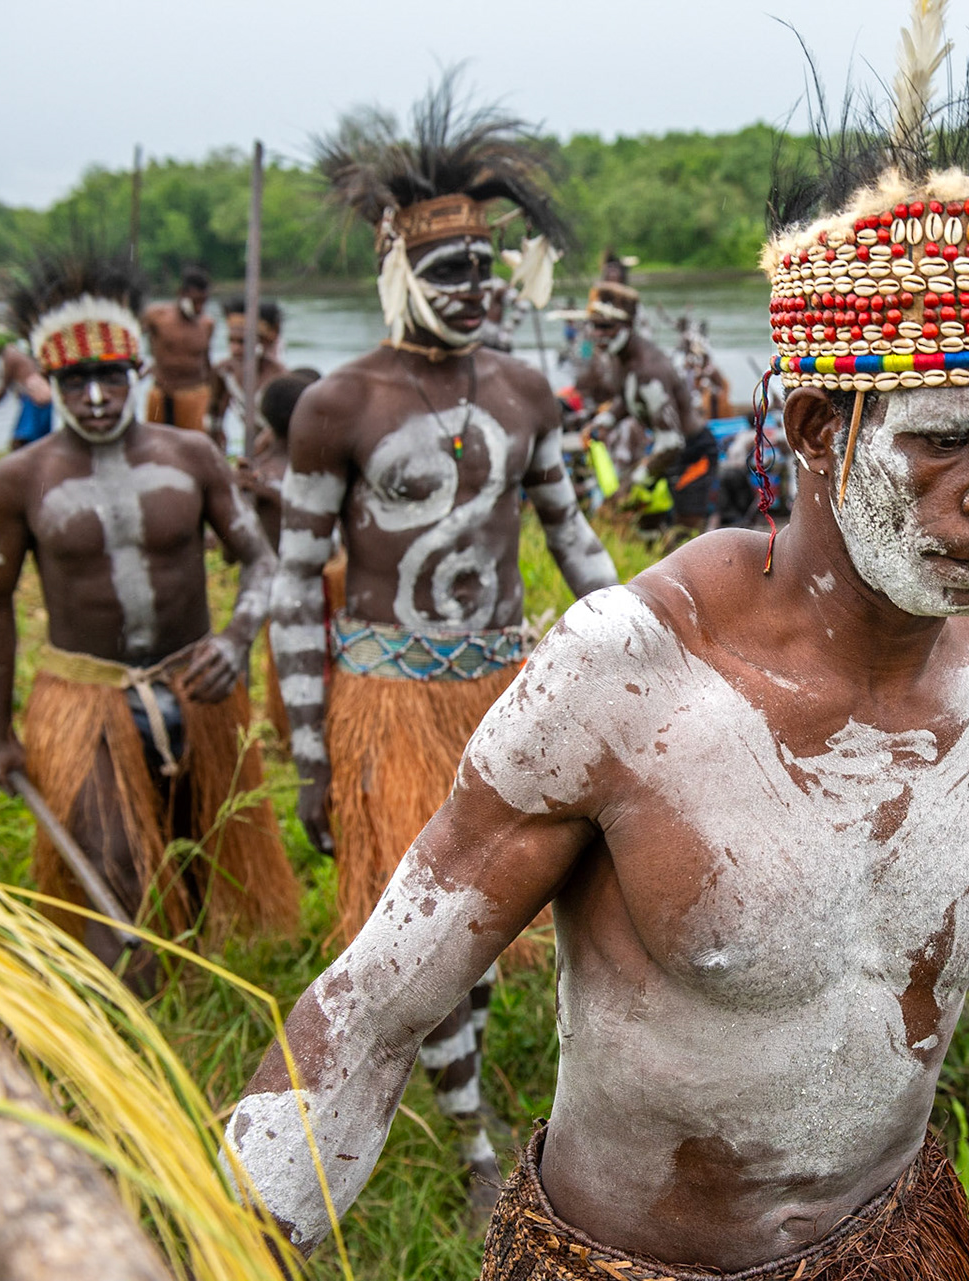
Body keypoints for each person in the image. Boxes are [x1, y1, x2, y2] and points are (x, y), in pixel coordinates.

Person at [226, 8, 969, 1278]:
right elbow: (371, 1013)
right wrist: (221, 1247)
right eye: (948, 435)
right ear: (812, 430)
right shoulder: (629, 679)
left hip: (895, 1246)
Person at [270, 76, 621, 1216]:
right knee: (426, 926)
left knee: (569, 899)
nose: (474, 289)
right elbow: (288, 588)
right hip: (387, 701)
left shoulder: (526, 395)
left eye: (487, 264)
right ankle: (473, 1146)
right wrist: (315, 757)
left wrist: (644, 662)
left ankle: (572, 1119)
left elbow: (576, 543)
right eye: (448, 269)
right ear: (397, 267)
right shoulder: (339, 405)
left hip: (507, 690)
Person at [0, 251, 299, 986]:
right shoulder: (21, 478)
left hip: (196, 685)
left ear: (136, 372)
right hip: (84, 698)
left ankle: (179, 991)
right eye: (74, 382)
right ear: (50, 383)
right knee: (110, 860)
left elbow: (261, 560)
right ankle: (123, 1027)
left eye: (108, 377)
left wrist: (236, 637)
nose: (93, 398)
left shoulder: (192, 454)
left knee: (187, 850)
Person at [575, 280, 715, 542]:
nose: (596, 334)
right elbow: (628, 399)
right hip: (664, 450)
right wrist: (603, 422)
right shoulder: (621, 358)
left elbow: (672, 442)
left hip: (692, 452)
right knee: (643, 524)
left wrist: (634, 481)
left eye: (605, 326)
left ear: (627, 326)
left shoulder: (649, 370)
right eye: (592, 325)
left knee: (687, 537)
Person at [235, 368, 321, 746]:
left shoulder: (274, 470)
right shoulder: (271, 466)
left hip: (309, 578)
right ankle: (281, 720)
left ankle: (292, 720)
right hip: (278, 575)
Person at [139, 265, 216, 433]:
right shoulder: (156, 316)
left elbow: (206, 361)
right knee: (156, 443)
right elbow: (131, 334)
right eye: (195, 301)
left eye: (203, 302)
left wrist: (213, 402)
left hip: (194, 393)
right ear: (181, 293)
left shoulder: (206, 324)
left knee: (194, 447)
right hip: (162, 391)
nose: (199, 307)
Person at [208, 297, 287, 453]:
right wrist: (215, 436)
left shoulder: (278, 375)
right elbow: (215, 409)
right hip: (251, 447)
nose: (235, 349)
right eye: (231, 341)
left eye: (242, 342)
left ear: (260, 341)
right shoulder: (224, 371)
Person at [0, 339, 54, 449]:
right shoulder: (15, 351)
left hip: (34, 399)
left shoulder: (9, 356)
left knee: (21, 442)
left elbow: (3, 388)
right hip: (41, 398)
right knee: (39, 443)